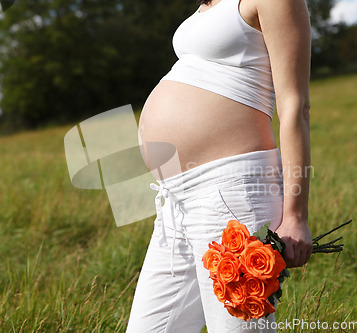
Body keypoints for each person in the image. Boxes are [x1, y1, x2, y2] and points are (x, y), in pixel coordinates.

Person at [127, 0, 313, 331]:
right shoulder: (208, 5)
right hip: (175, 201)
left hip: (230, 190)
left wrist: (296, 216)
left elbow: (294, 105)